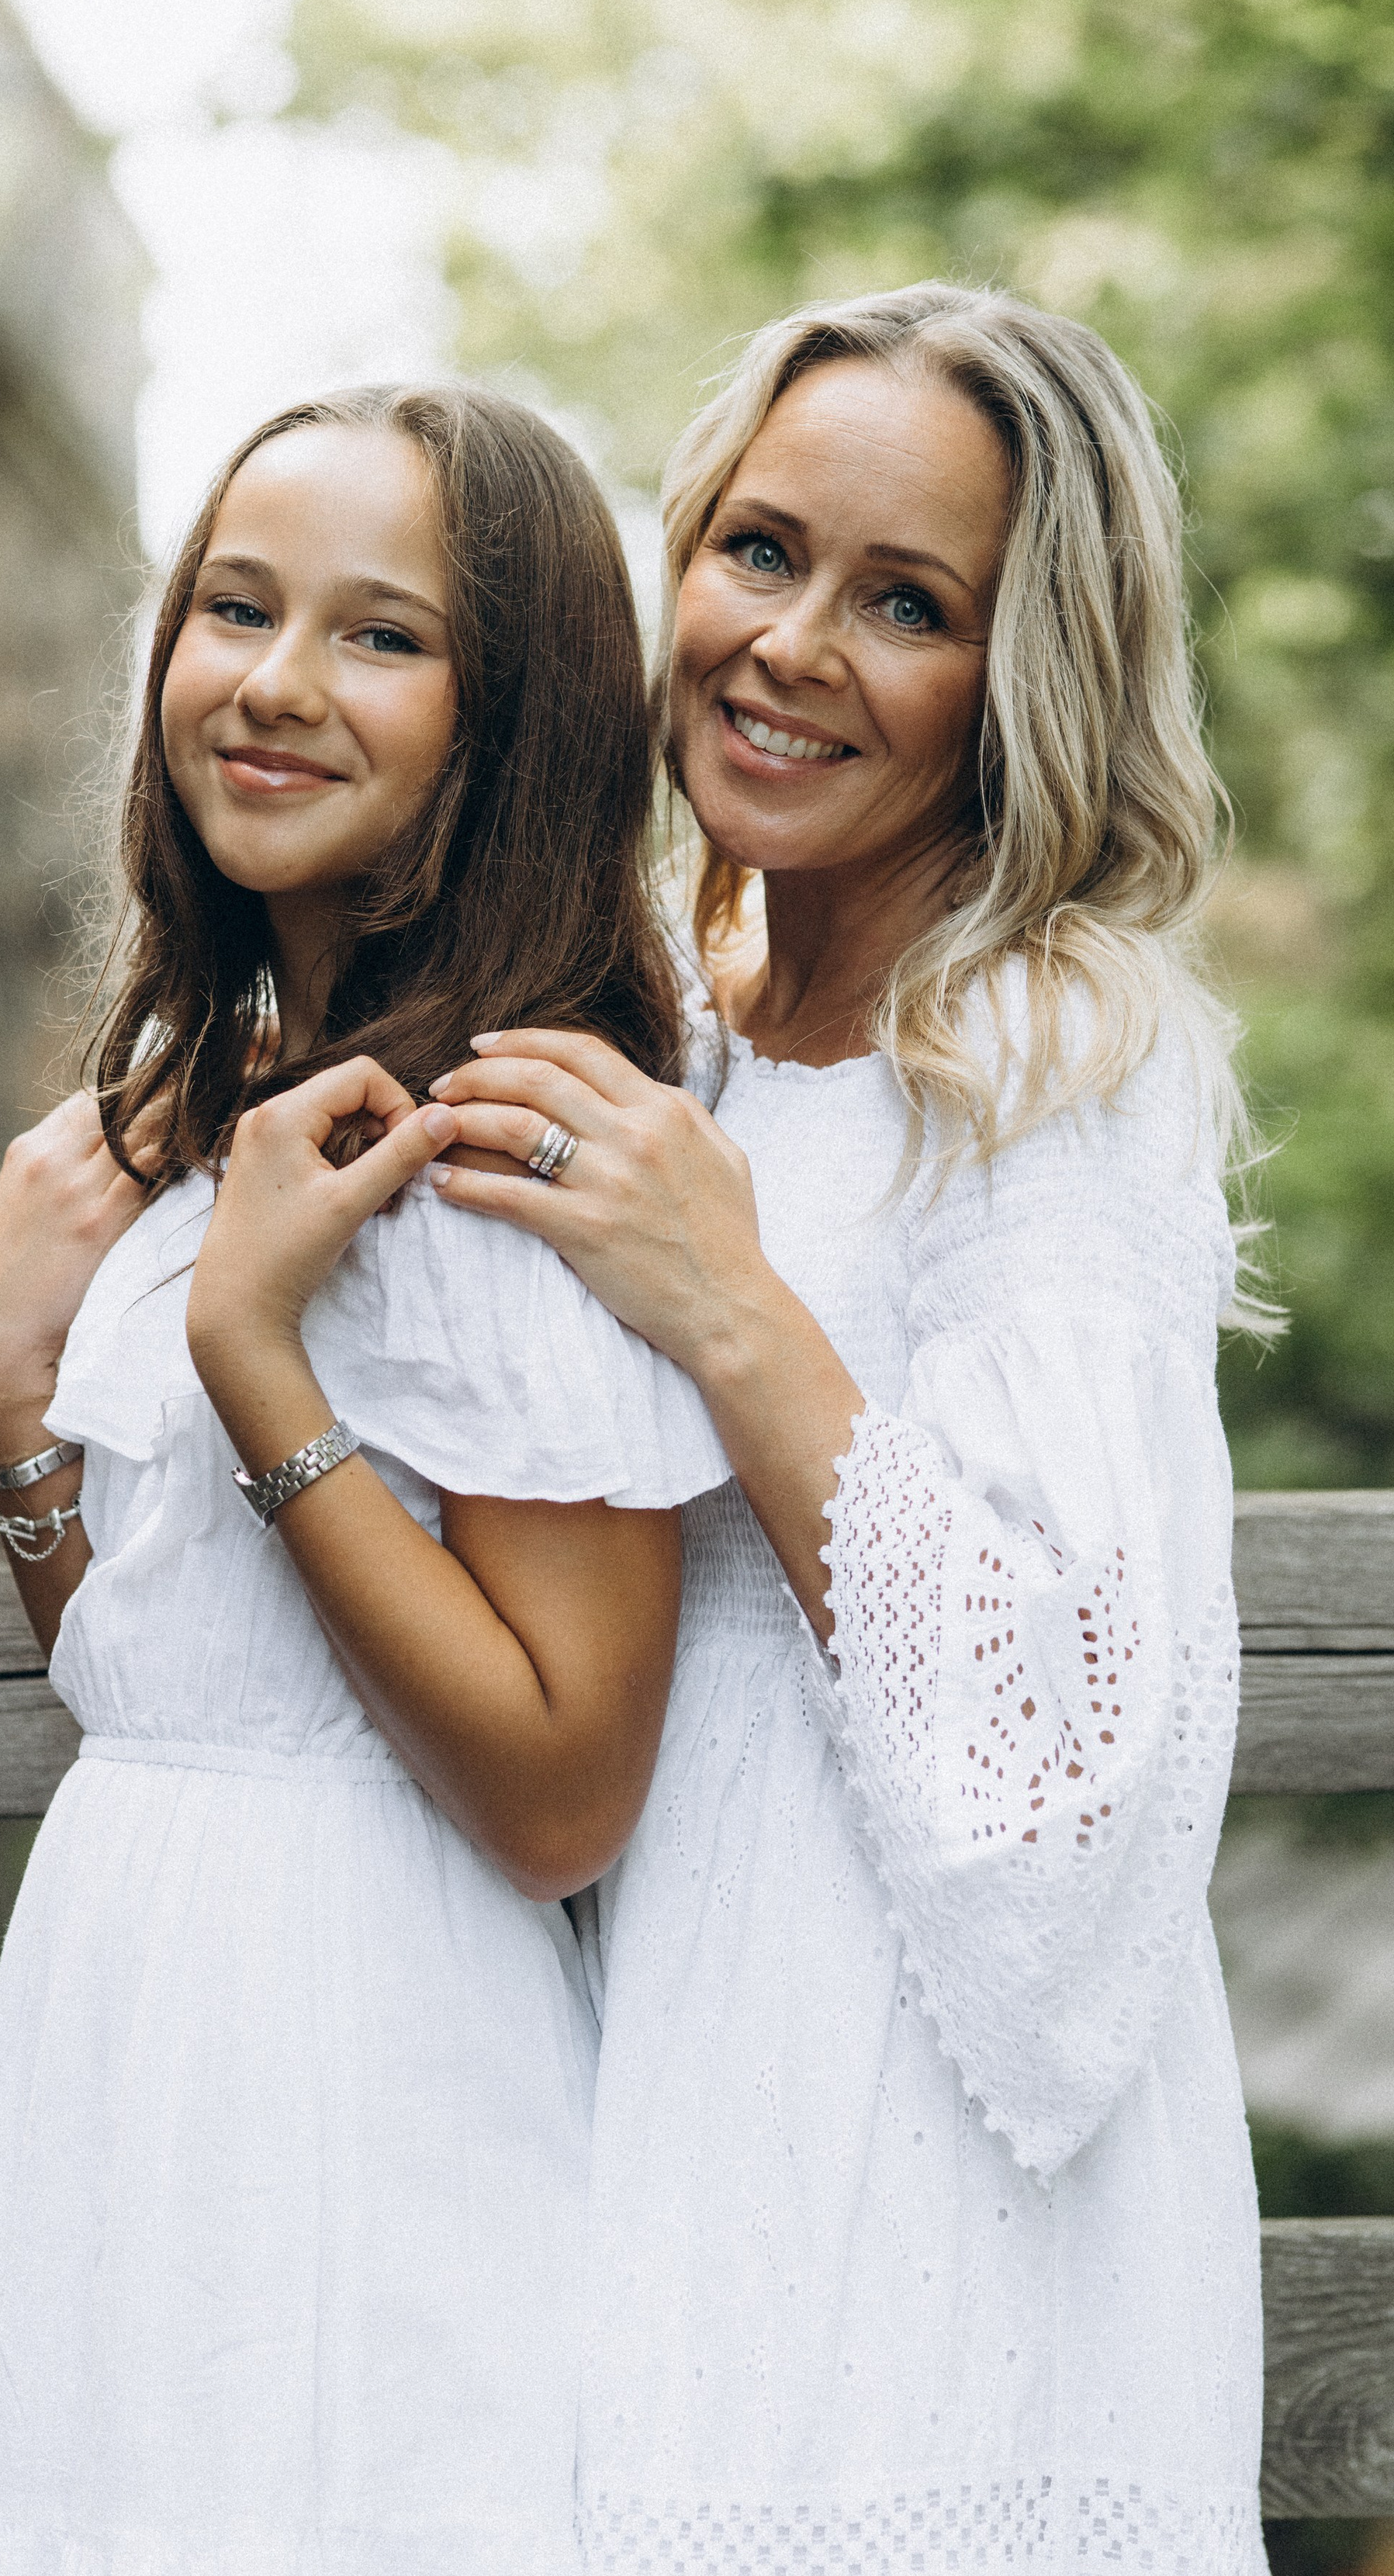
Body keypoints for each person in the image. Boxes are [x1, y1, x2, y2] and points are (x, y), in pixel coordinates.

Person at [0, 384, 728, 2576]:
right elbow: (196, 1687)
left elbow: (557, 1789)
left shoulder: (508, 1140)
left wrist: (250, 1354)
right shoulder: (233, 1109)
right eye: (235, 608)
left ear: (509, 718)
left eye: (379, 637)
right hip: (130, 2026)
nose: (269, 683)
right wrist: (7, 1407)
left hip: (364, 2063)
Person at [430, 286, 1269, 2573]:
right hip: (646, 2157)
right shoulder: (665, 1030)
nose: (791, 644)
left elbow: (1073, 1805)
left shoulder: (1047, 1071)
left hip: (937, 2240)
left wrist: (734, 1313)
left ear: (1026, 680)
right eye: (762, 550)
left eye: (907, 603)